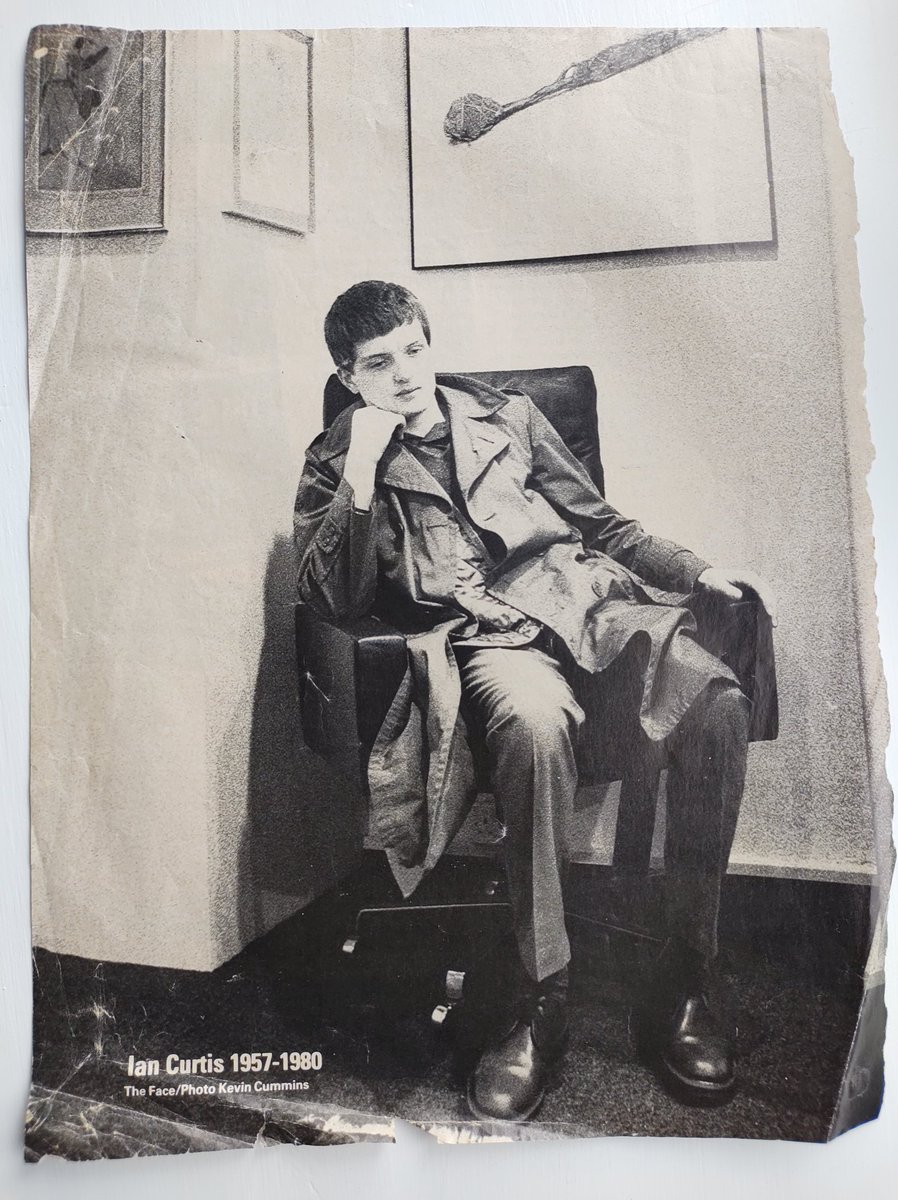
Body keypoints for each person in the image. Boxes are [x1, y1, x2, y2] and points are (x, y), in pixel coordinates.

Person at [293, 280, 776, 1123]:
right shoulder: (334, 460)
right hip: (485, 640)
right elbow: (333, 596)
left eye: (413, 350)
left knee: (717, 704)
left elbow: (603, 525)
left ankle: (686, 978)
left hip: (585, 605)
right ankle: (538, 1000)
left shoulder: (509, 416)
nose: (403, 374)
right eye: (377, 363)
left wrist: (697, 571)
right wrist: (362, 470)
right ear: (348, 376)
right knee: (534, 722)